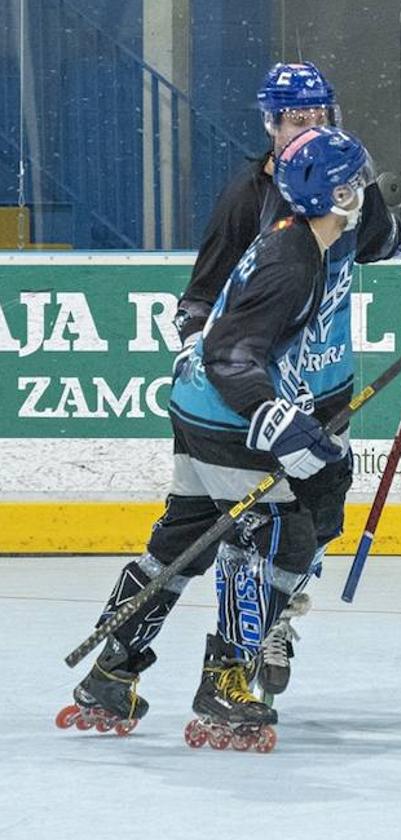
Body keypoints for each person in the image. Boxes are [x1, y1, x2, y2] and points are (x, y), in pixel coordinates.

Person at [171, 61, 401, 701]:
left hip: (329, 391)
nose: (309, 129)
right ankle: (238, 652)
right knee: (258, 530)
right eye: (296, 119)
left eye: (319, 116)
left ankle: (273, 618)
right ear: (270, 125)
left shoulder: (341, 182)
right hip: (261, 403)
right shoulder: (250, 199)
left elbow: (386, 239)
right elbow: (203, 296)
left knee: (316, 525)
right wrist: (205, 358)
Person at [59, 127, 371, 747]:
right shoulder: (293, 260)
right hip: (226, 419)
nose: (363, 188)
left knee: (180, 545)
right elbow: (231, 353)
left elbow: (229, 347)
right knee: (274, 535)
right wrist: (274, 418)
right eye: (353, 180)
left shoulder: (298, 238)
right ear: (331, 192)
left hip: (197, 410)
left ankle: (110, 670)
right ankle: (224, 681)